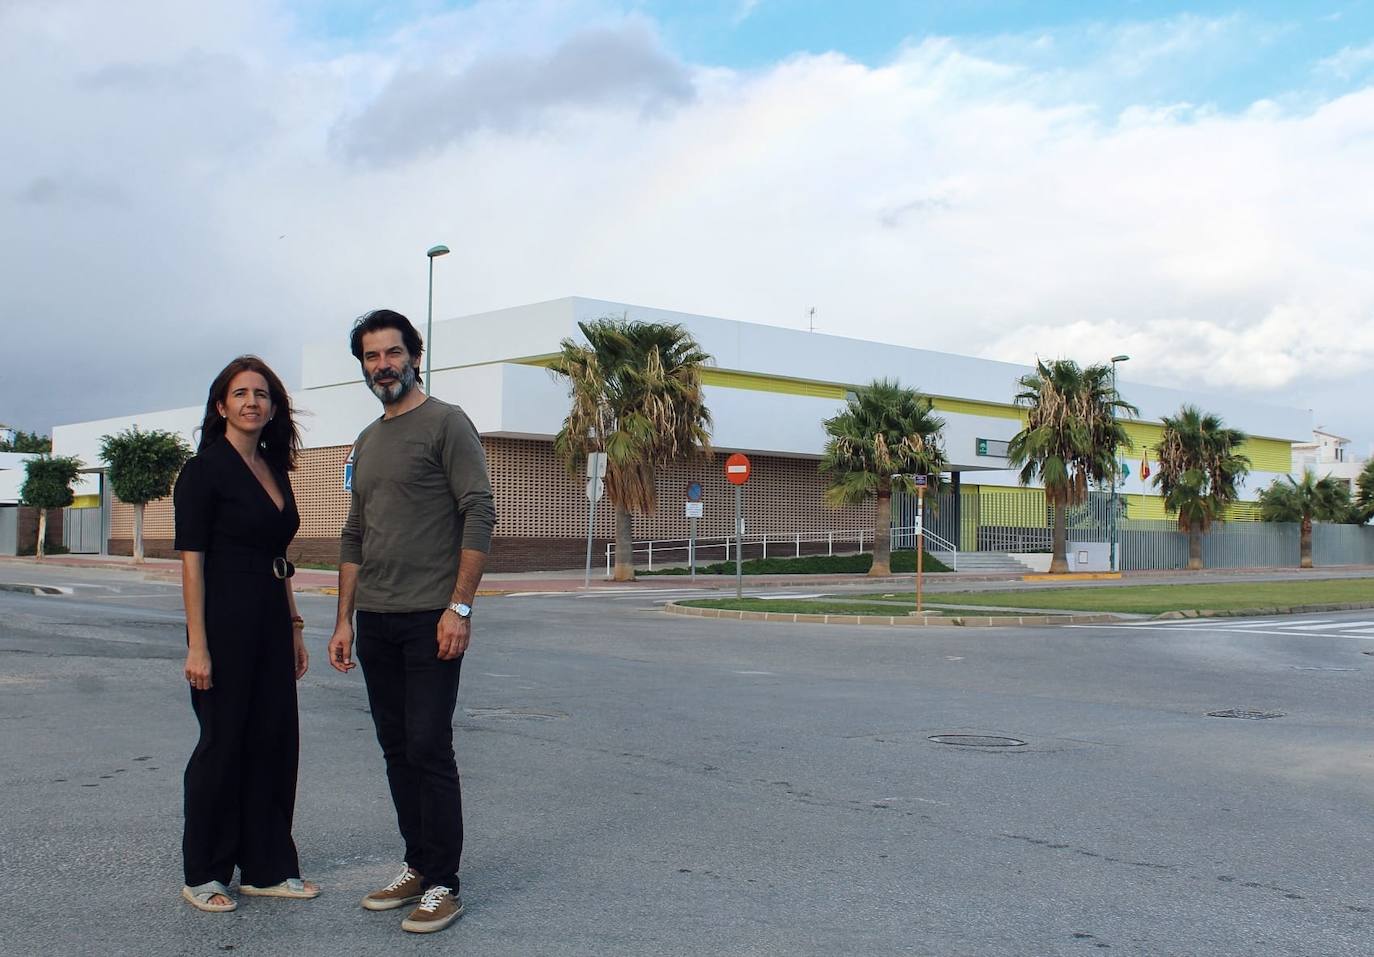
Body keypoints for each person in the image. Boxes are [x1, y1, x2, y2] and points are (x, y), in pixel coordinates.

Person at [327, 309, 496, 935]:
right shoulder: (368, 440)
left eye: (392, 353)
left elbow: (479, 512)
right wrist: (342, 621)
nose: (382, 366)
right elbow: (354, 533)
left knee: (428, 747)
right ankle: (419, 865)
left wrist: (460, 606)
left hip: (431, 616)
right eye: (371, 357)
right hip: (375, 619)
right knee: (396, 749)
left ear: (414, 355)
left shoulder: (447, 423)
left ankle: (446, 883)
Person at [174, 355, 319, 912]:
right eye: (240, 393)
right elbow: (192, 563)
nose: (252, 401)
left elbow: (279, 557)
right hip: (225, 623)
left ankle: (267, 866)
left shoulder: (273, 468)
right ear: (221, 406)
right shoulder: (204, 470)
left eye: (262, 393)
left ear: (274, 407)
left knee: (274, 741)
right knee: (222, 744)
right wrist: (198, 643)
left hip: (270, 620)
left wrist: (295, 627)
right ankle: (204, 873)